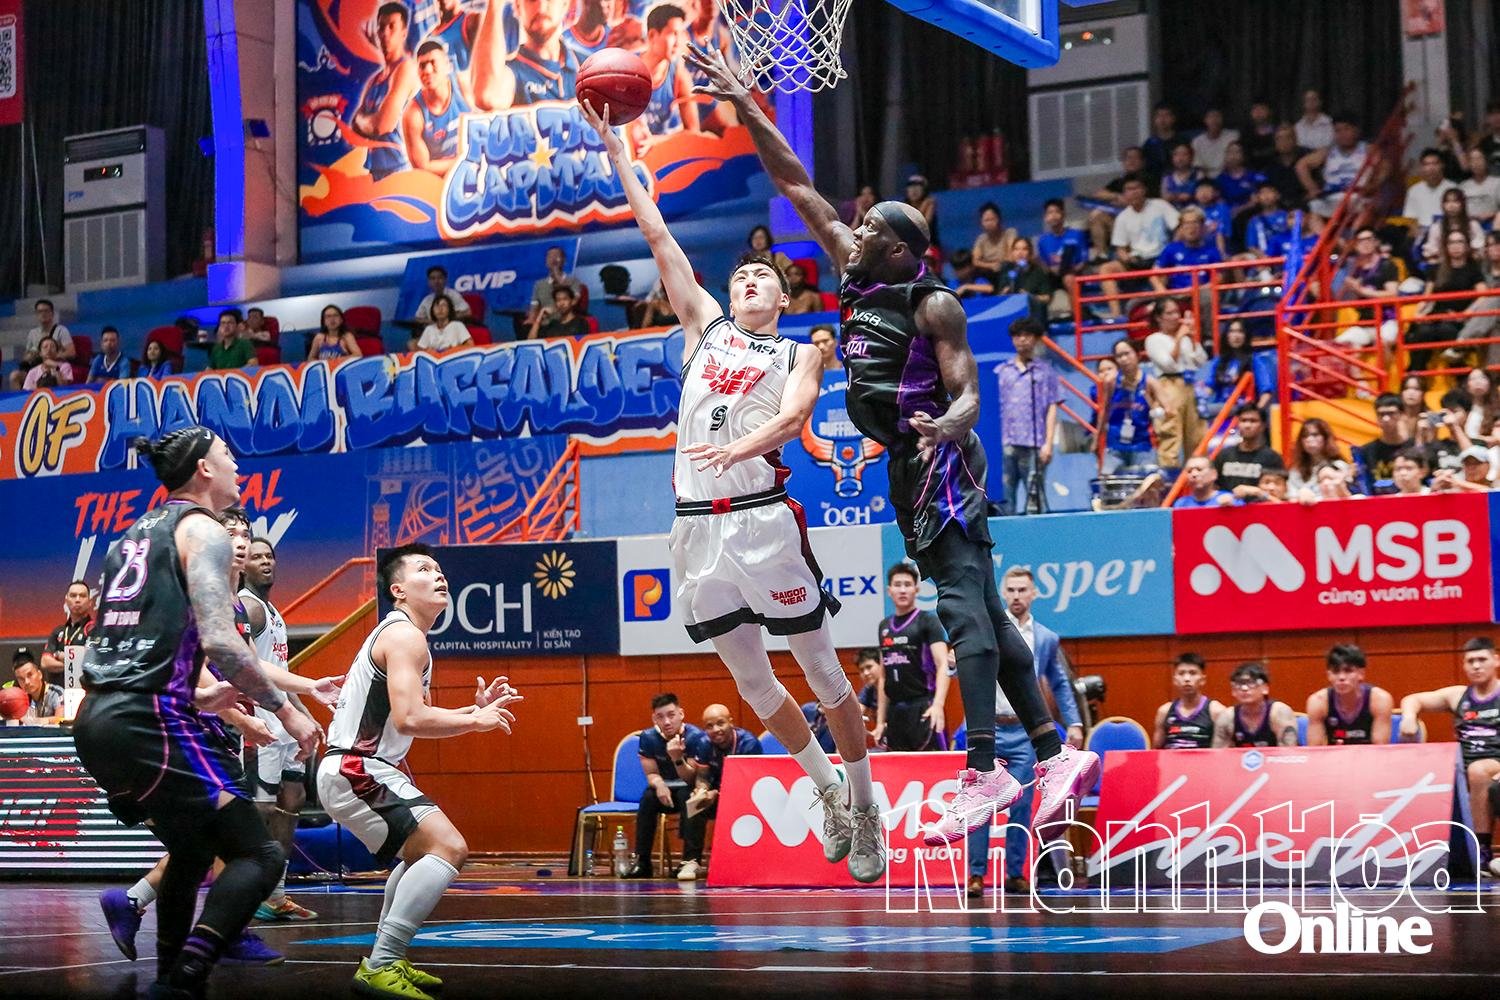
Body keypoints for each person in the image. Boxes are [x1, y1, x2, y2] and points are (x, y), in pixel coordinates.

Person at [691, 45, 1101, 848]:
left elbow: (971, 391)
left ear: (903, 252)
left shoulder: (933, 303)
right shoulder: (854, 267)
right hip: (911, 463)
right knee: (986, 610)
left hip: (937, 456)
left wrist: (952, 425)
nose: (861, 224)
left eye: (876, 226)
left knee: (958, 606)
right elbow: (796, 184)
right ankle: (1055, 756)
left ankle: (985, 768)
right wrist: (747, 103)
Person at [584, 95, 886, 881]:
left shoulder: (801, 354)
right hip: (696, 529)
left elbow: (791, 426)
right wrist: (616, 146)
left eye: (765, 277)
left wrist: (736, 449)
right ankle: (826, 792)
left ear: (783, 300)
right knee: (752, 684)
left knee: (823, 676)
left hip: (762, 520)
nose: (751, 279)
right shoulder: (705, 329)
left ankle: (866, 800)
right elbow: (656, 233)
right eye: (743, 273)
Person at [73, 428, 321, 998]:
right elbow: (223, 643)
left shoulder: (128, 538)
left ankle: (168, 980)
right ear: (204, 469)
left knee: (189, 849)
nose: (238, 466)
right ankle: (189, 970)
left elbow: (107, 651)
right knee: (258, 854)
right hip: (148, 721)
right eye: (229, 456)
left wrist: (197, 694)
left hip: (99, 719)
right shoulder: (202, 529)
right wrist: (289, 710)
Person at [317, 544, 519, 998]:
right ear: (399, 590)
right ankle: (384, 963)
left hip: (356, 767)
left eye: (440, 569)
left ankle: (386, 961)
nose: (438, 575)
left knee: (418, 854)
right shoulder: (407, 637)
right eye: (424, 569)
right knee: (449, 847)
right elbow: (410, 719)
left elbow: (410, 715)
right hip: (358, 767)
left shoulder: (400, 634)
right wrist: (474, 721)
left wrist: (473, 708)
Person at [964, 566, 1083, 899]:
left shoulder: (1045, 638)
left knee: (1022, 802)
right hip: (987, 731)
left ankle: (1015, 873)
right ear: (1003, 593)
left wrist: (1073, 722)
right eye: (1011, 590)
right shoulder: (986, 630)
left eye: (1022, 590)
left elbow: (1059, 683)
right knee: (979, 804)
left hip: (1023, 733)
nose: (1016, 596)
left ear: (1033, 594)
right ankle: (976, 875)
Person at [240, 537, 320, 922]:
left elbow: (281, 673)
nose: (265, 561)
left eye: (269, 555)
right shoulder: (248, 608)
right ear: (243, 566)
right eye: (256, 557)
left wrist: (303, 713)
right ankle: (247, 891)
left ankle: (277, 893)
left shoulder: (271, 610)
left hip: (284, 718)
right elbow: (249, 670)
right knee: (260, 809)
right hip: (262, 720)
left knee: (293, 799)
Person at [1398, 636, 1500, 876]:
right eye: (1470, 661)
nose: (1476, 666)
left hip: (1494, 766)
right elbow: (1413, 699)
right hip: (1460, 768)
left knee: (1478, 771)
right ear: (1463, 665)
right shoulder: (1458, 696)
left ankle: (1482, 850)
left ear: (1496, 660)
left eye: (1482, 660)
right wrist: (1409, 717)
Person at [627, 693, 709, 878]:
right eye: (660, 717)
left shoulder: (695, 736)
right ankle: (643, 861)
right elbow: (651, 773)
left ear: (681, 714)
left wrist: (677, 758)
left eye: (671, 715)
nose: (666, 722)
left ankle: (690, 860)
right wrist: (659, 785)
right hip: (664, 787)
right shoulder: (648, 737)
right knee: (648, 797)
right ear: (654, 718)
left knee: (687, 797)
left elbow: (692, 778)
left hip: (688, 786)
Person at [679, 703, 761, 881]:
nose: (715, 729)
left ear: (731, 722)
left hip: (746, 799)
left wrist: (721, 795)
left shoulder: (749, 744)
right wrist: (701, 790)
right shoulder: (704, 743)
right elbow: (702, 775)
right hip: (716, 796)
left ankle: (744, 861)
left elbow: (751, 784)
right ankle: (691, 861)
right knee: (694, 803)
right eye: (709, 726)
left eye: (720, 723)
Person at [873, 563, 950, 751]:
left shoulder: (928, 621)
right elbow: (883, 676)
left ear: (916, 589)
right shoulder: (884, 626)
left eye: (907, 584)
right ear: (889, 590)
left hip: (923, 707)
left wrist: (938, 705)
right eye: (897, 585)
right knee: (900, 770)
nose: (902, 590)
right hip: (895, 713)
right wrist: (880, 721)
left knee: (934, 770)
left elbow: (943, 665)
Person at [996, 317, 1060, 514]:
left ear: (1036, 339)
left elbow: (1052, 407)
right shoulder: (1002, 371)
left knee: (1035, 498)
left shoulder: (1045, 371)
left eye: (1027, 335)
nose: (1022, 340)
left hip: (1034, 444)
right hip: (1008, 443)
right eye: (1017, 336)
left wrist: (1048, 443)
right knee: (1007, 497)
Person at [352, 2, 418, 178]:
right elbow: (354, 124)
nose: (386, 33)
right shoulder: (375, 79)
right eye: (381, 27)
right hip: (376, 171)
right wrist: (367, 122)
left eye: (392, 27)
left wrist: (364, 121)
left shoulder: (406, 69)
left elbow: (381, 126)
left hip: (399, 172)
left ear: (403, 33)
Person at [1144, 298, 1207, 468]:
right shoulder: (1154, 339)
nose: (1175, 317)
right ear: (1159, 317)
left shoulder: (1186, 338)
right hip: (1168, 385)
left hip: (1189, 384)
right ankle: (1170, 480)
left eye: (1177, 312)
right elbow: (1168, 363)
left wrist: (1193, 338)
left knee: (1195, 435)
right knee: (1170, 433)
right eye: (1170, 313)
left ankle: (1195, 476)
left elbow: (1200, 360)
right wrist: (1179, 338)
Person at [404, 40, 473, 176]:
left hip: (473, 167)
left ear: (447, 66)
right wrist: (464, 160)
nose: (428, 71)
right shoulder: (413, 114)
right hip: (440, 180)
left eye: (433, 63)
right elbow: (423, 167)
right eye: (422, 66)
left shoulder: (463, 87)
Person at [633, 4, 700, 141]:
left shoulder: (679, 76)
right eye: (673, 33)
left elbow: (693, 130)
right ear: (652, 35)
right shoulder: (627, 67)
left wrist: (656, 141)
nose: (678, 42)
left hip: (659, 150)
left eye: (680, 34)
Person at [1305, 644, 1393, 746]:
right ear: (1329, 675)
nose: (1341, 677)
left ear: (1361, 674)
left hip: (1369, 758)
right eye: (1336, 672)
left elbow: (1380, 749)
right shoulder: (1318, 702)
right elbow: (1315, 750)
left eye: (1348, 671)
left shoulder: (1380, 700)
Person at [1095, 340, 1159, 475]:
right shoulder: (1111, 383)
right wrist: (1096, 439)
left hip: (1142, 445)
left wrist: (1155, 409)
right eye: (1119, 356)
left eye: (1127, 354)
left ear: (1137, 355)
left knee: (1146, 484)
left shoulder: (1149, 382)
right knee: (1107, 481)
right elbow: (1105, 410)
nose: (1124, 359)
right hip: (1115, 445)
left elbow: (1169, 409)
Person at [1332, 228, 1399, 349]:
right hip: (1365, 321)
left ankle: (1381, 369)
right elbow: (1347, 300)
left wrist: (1362, 291)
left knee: (1382, 344)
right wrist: (1349, 288)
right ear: (1356, 245)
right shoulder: (1355, 269)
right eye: (1361, 241)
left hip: (1387, 320)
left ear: (1376, 242)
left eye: (1369, 239)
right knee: (1340, 347)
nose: (1365, 243)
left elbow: (1392, 294)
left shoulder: (1387, 265)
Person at [1297, 112, 1370, 223]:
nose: (1342, 134)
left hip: (1358, 196)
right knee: (1313, 208)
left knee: (1368, 209)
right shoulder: (1328, 151)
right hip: (1332, 197)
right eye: (1338, 130)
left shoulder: (1368, 149)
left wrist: (1373, 185)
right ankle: (1332, 240)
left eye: (1346, 129)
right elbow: (1301, 165)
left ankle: (1353, 238)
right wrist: (1313, 189)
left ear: (1356, 130)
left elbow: (1385, 167)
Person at [1212, 662, 1298, 747]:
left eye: (1251, 683)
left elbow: (1289, 753)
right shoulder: (1227, 716)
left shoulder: (1279, 712)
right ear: (1233, 691)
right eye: (1239, 684)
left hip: (1274, 759)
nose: (1244, 688)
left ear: (1265, 688)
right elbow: (1218, 754)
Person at [1151, 653, 1222, 749]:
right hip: (1172, 763)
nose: (1187, 679)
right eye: (1181, 673)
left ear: (1203, 679)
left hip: (1204, 763)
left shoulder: (1216, 711)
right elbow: (1156, 750)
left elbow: (1222, 751)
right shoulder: (1164, 711)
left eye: (1192, 673)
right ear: (1175, 680)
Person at [1215, 404, 1284, 492]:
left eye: (1253, 421)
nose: (1247, 425)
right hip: (1228, 504)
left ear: (1263, 426)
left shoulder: (1272, 458)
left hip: (1259, 504)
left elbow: (1277, 490)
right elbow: (1214, 486)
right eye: (1243, 420)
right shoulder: (1223, 455)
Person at [10, 298, 75, 390]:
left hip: (55, 367)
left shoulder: (61, 330)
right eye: (40, 311)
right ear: (36, 314)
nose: (43, 314)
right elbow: (26, 356)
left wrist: (52, 357)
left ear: (52, 313)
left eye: (46, 311)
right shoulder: (32, 333)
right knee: (14, 376)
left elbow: (71, 352)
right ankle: (18, 402)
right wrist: (31, 356)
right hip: (36, 369)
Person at [1356, 393, 1413, 495]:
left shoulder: (1414, 447)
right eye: (1381, 414)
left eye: (1391, 413)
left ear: (1402, 414)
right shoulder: (1366, 451)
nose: (1386, 419)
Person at [41, 580, 94, 685]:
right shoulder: (58, 631)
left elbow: (90, 661)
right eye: (73, 596)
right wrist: (73, 664)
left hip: (84, 691)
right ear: (66, 600)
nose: (77, 600)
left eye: (82, 596)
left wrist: (59, 655)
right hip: (58, 694)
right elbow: (45, 662)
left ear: (90, 602)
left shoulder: (94, 629)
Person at [1420, 187, 1485, 265]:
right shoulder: (1437, 227)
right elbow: (1430, 252)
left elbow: (1480, 250)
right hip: (1444, 265)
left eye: (1455, 201)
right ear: (1443, 205)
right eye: (1447, 202)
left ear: (1462, 204)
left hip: (1469, 265)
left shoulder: (1473, 225)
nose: (1451, 206)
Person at [1287, 417, 1350, 496]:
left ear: (1325, 438)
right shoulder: (1296, 471)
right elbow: (1292, 496)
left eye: (1315, 434)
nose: (1309, 439)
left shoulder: (1339, 466)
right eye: (1305, 436)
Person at [996, 239, 1053, 325]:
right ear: (1012, 253)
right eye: (1016, 249)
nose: (1020, 253)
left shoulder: (1038, 272)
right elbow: (998, 298)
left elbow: (1047, 298)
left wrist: (1029, 297)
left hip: (1033, 318)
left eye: (1024, 249)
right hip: (1010, 317)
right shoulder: (1007, 272)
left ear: (1030, 253)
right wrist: (1004, 294)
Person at [526, 247, 583, 330]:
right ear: (546, 262)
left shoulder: (573, 281)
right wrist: (531, 320)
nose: (553, 259)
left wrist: (556, 273)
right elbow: (534, 306)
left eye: (557, 256)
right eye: (550, 257)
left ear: (564, 261)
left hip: (568, 324)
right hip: (545, 325)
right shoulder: (539, 284)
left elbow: (574, 301)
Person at [1403, 147, 1459, 229]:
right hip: (1421, 233)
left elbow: (1459, 217)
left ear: (1442, 165)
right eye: (1427, 164)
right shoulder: (1414, 190)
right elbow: (1410, 219)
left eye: (1435, 163)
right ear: (1422, 167)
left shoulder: (1453, 188)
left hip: (1446, 231)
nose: (1431, 168)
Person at [12, 652, 64, 722]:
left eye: (30, 675)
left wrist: (35, 721)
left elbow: (61, 719)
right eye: (21, 679)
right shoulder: (20, 697)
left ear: (39, 674)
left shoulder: (57, 693)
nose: (26, 682)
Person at [970, 202, 1017, 277]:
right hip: (989, 272)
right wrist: (991, 265)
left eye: (992, 219)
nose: (989, 223)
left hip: (1006, 270)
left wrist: (1000, 265)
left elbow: (1011, 256)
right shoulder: (981, 239)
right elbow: (975, 261)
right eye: (986, 220)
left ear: (999, 219)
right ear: (981, 222)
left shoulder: (1009, 233)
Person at [1172, 455, 1236, 509]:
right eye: (1189, 471)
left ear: (1214, 474)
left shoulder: (1230, 499)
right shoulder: (1181, 504)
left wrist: (1232, 508)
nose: (1194, 474)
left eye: (1199, 469)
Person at [1461, 147, 1500, 227]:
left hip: (1493, 225)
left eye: (1479, 159)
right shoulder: (1463, 186)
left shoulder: (1497, 183)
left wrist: (1491, 214)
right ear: (1469, 164)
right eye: (1473, 160)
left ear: (1486, 161)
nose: (1476, 163)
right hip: (1469, 226)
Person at [1161, 142, 1203, 208]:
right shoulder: (1167, 176)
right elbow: (1165, 197)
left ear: (1191, 157)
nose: (1180, 158)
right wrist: (1178, 196)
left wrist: (1174, 196)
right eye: (1176, 154)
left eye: (1184, 154)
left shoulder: (1198, 174)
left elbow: (1202, 196)